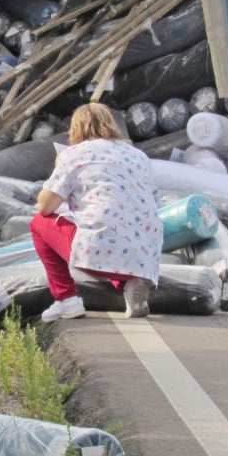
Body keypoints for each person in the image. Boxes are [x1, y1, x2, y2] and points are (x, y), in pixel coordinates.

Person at [30, 102, 163, 321]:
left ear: (76, 128)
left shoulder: (73, 154)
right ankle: (131, 284)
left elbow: (45, 206)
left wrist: (59, 166)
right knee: (113, 233)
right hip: (146, 251)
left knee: (39, 224)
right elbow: (155, 201)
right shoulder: (138, 155)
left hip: (103, 242)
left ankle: (66, 299)